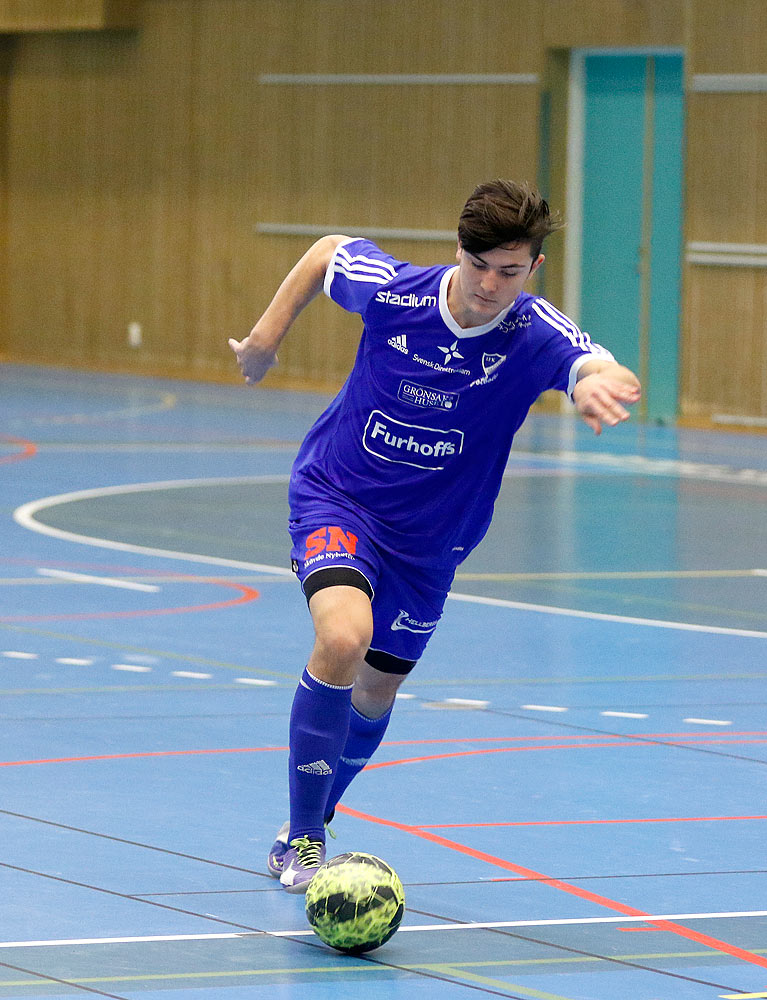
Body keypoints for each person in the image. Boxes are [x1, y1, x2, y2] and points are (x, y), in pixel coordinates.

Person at [229, 179, 642, 891]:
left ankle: (314, 815)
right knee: (341, 639)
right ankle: (301, 838)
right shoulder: (397, 293)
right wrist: (265, 341)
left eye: (509, 271)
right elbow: (328, 253)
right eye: (478, 264)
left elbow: (596, 362)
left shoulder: (534, 334)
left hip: (432, 544)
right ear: (459, 249)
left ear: (533, 268)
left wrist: (596, 386)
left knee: (377, 690)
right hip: (339, 496)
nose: (489, 284)